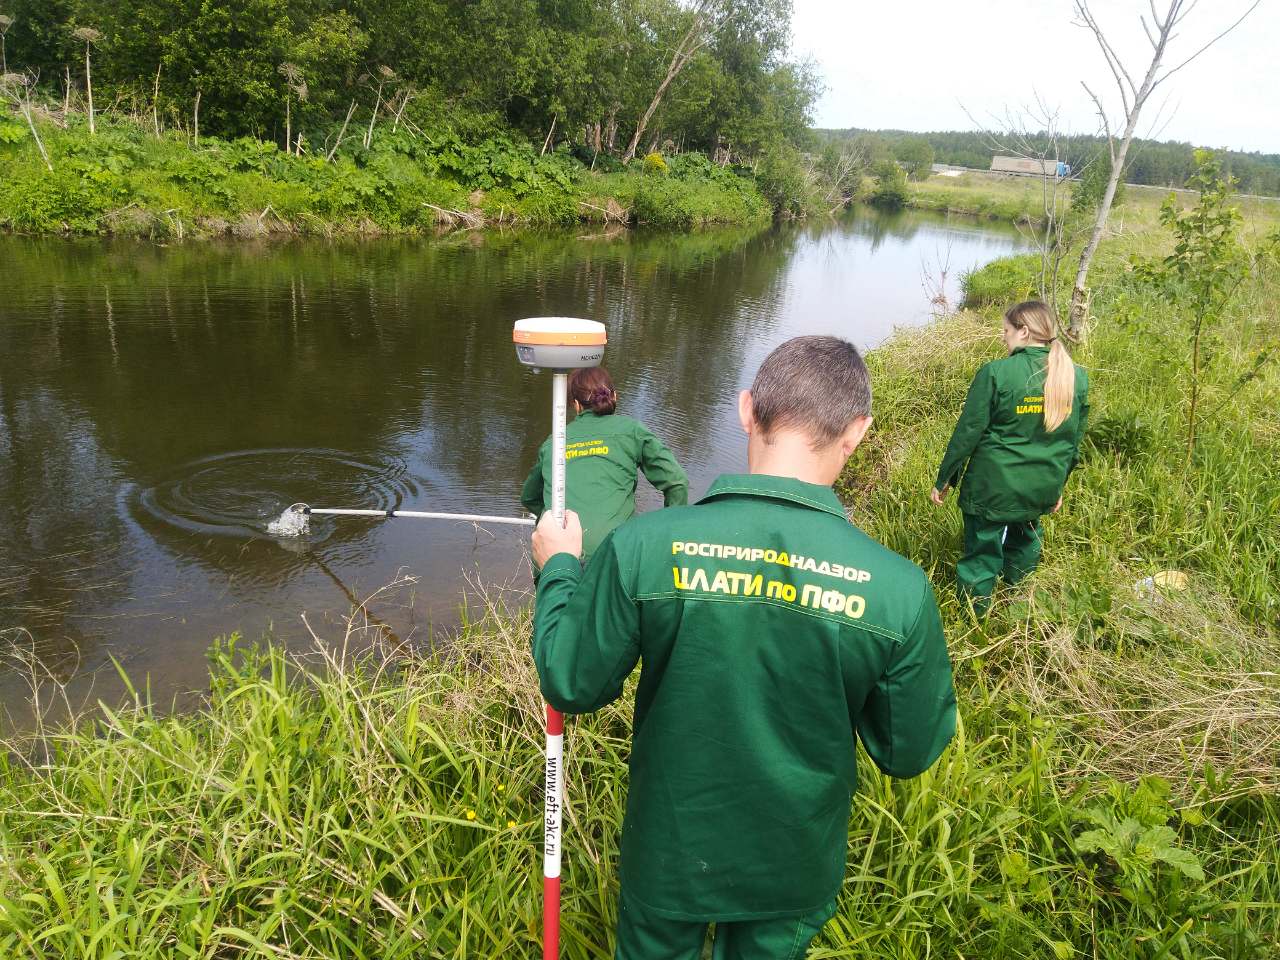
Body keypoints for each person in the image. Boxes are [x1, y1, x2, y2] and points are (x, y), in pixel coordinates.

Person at [531, 336, 956, 960]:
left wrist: (560, 568)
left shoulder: (645, 546)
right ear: (858, 431)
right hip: (793, 865)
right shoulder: (899, 590)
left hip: (669, 854)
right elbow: (908, 750)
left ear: (745, 409)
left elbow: (569, 680)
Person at [930, 300, 1090, 612]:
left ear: (1024, 331)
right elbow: (1073, 445)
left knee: (981, 553)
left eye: (1006, 330)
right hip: (1041, 486)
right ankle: (1019, 606)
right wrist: (1058, 487)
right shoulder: (1075, 378)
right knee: (1026, 539)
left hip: (993, 488)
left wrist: (946, 478)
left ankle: (974, 620)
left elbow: (967, 433)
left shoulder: (996, 373)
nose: (1003, 337)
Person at [521, 366, 688, 567]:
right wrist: (667, 537)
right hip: (615, 556)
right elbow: (677, 483)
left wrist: (557, 523)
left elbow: (529, 497)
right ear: (614, 396)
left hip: (559, 559)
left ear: (576, 405)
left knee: (558, 593)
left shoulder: (553, 442)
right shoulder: (632, 432)